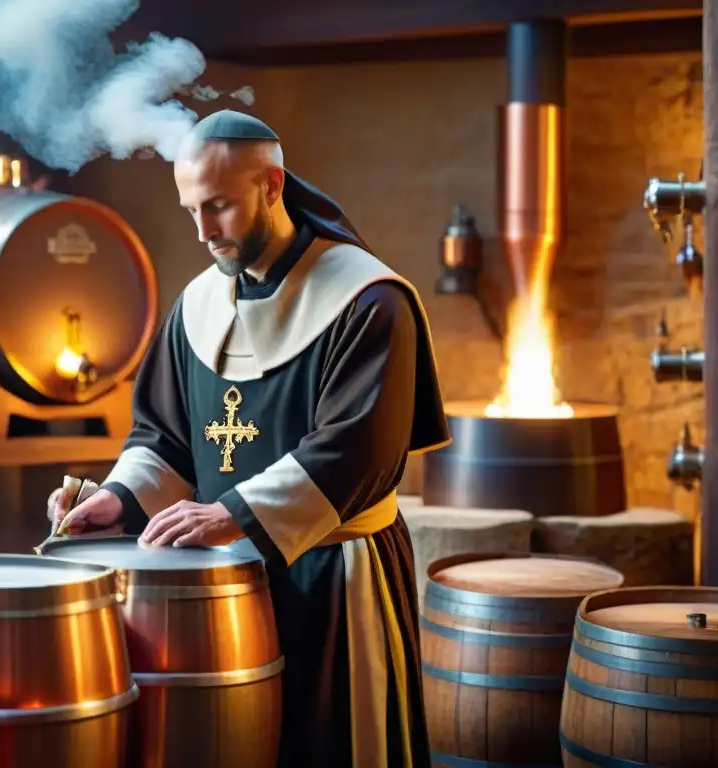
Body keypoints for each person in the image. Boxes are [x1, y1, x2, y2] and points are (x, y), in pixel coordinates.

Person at [47, 109, 450, 767]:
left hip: (333, 581)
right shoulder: (195, 308)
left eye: (220, 207)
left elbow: (359, 453)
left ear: (272, 184)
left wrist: (231, 513)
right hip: (219, 586)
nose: (204, 231)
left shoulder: (369, 301)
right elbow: (165, 437)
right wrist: (118, 498)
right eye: (191, 210)